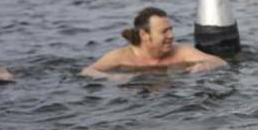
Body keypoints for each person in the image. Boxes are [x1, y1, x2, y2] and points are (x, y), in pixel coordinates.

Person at [82, 7, 227, 76]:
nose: (171, 35)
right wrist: (111, 77)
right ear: (144, 35)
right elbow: (87, 71)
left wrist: (205, 66)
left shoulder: (181, 52)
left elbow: (221, 62)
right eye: (164, 31)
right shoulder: (122, 57)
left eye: (170, 29)